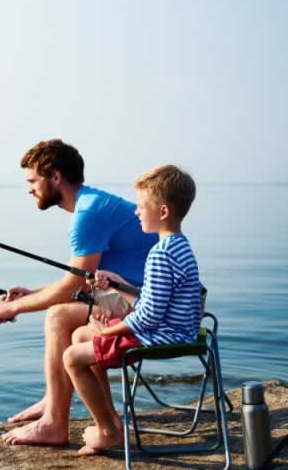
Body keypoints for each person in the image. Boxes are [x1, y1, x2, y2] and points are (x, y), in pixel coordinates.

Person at [0, 139, 156, 445]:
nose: (29, 189)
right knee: (67, 316)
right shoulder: (93, 205)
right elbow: (80, 279)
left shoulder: (88, 214)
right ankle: (58, 400)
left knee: (58, 316)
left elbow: (73, 287)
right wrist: (30, 293)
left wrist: (14, 308)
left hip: (145, 303)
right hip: (133, 295)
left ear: (55, 177)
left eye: (32, 180)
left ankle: (54, 421)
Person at [63, 164, 202, 455]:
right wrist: (118, 286)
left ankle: (109, 431)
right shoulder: (180, 246)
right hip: (179, 331)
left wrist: (109, 330)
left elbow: (149, 316)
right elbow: (156, 301)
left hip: (163, 337)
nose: (136, 212)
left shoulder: (160, 254)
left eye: (140, 207)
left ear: (162, 212)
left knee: (72, 356)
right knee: (80, 337)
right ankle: (108, 420)